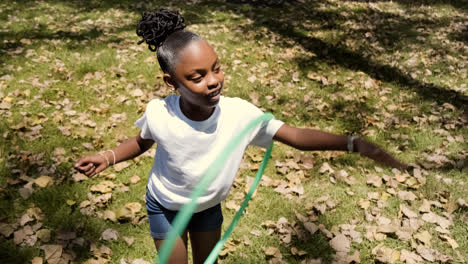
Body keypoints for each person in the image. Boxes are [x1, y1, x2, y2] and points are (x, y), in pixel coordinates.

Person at [74, 8, 409, 264]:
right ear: (171, 82)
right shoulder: (159, 112)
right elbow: (141, 142)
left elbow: (293, 135)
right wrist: (107, 157)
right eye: (197, 76)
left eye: (216, 68)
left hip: (207, 207)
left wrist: (353, 143)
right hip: (165, 206)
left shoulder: (240, 115)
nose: (213, 80)